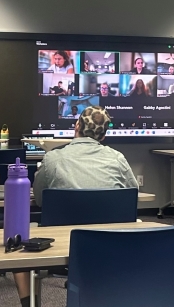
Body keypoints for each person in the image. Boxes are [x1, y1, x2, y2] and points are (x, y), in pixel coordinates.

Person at [14, 106, 138, 305]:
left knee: (17, 239)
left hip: (60, 246)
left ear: (77, 126)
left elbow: (40, 199)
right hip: (112, 248)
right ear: (104, 136)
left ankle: (30, 303)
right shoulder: (118, 159)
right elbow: (132, 195)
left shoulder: (53, 159)